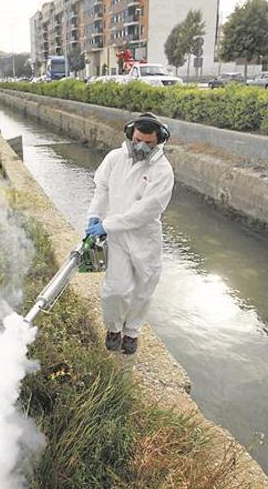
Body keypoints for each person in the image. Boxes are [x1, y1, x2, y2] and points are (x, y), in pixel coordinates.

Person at [85, 112, 174, 355]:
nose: (141, 146)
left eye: (149, 143)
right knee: (116, 289)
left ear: (159, 141)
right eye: (137, 140)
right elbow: (102, 188)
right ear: (129, 135)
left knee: (143, 289)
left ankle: (132, 332)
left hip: (145, 238)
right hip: (118, 238)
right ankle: (113, 329)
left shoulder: (163, 171)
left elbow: (145, 211)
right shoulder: (115, 158)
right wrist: (95, 215)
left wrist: (106, 225)